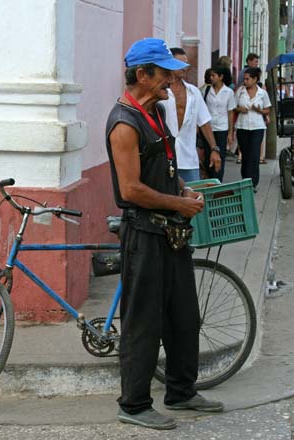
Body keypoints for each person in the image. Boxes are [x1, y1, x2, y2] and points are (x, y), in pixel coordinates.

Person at [105, 37, 224, 431]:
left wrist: (181, 193)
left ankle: (181, 391)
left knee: (184, 317)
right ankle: (135, 404)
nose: (171, 82)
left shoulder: (155, 112)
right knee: (143, 323)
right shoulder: (125, 123)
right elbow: (130, 190)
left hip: (170, 233)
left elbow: (161, 170)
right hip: (144, 234)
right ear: (142, 74)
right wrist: (178, 204)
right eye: (164, 75)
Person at [161, 47, 221, 182]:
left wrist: (214, 148)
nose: (184, 67)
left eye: (186, 63)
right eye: (180, 63)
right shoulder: (160, 91)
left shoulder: (193, 92)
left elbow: (204, 122)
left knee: (193, 198)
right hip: (164, 158)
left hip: (189, 159)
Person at [235, 66, 271, 193]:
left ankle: (253, 182)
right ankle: (245, 179)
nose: (245, 82)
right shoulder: (240, 91)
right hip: (242, 126)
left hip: (257, 126)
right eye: (244, 79)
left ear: (255, 79)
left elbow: (268, 109)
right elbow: (234, 107)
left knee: (254, 154)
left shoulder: (263, 93)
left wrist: (260, 110)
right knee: (245, 154)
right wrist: (241, 109)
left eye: (248, 79)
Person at [202, 65, 236, 181]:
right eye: (210, 75)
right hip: (208, 128)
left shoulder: (229, 92)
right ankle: (209, 179)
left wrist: (230, 133)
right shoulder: (206, 90)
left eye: (213, 75)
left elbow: (230, 112)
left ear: (221, 77)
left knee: (220, 156)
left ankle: (218, 181)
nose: (211, 78)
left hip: (222, 128)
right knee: (208, 155)